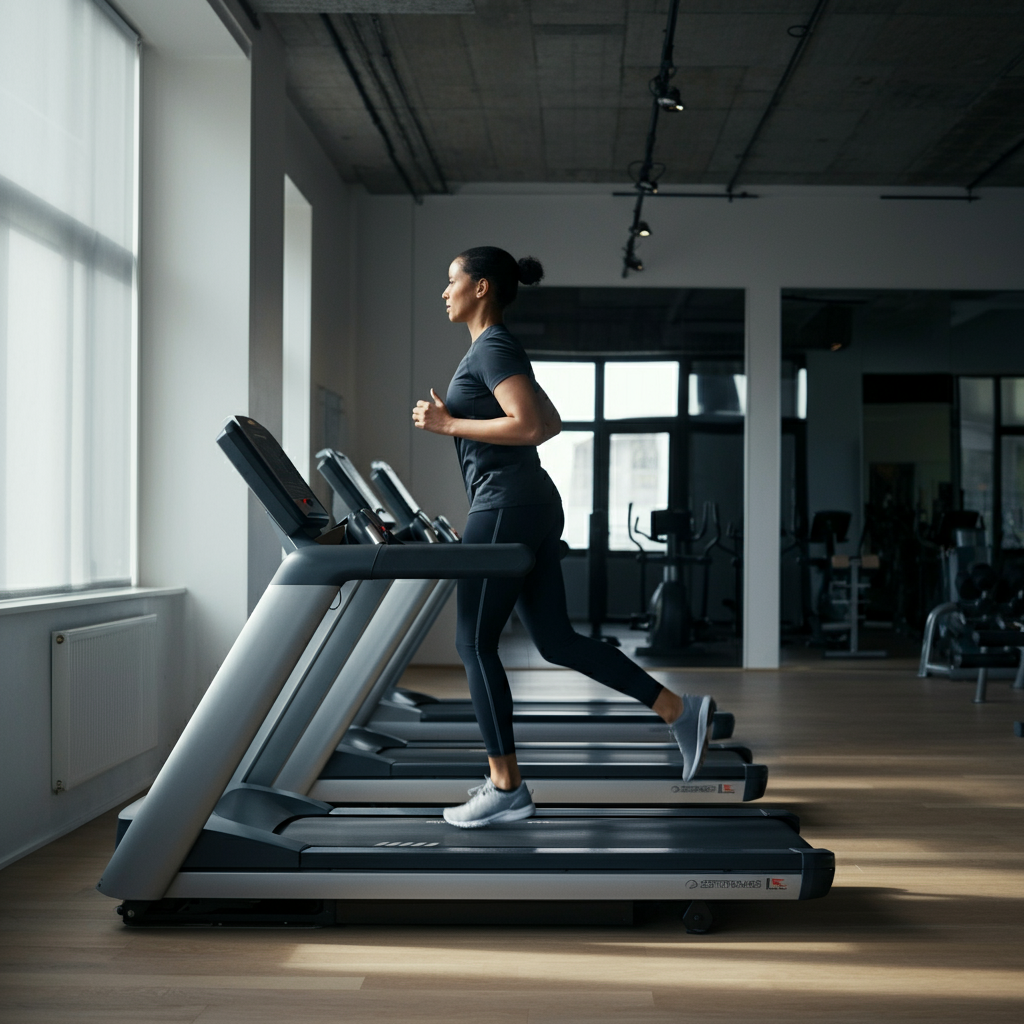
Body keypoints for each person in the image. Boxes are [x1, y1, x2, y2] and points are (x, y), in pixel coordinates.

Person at [412, 246, 715, 829]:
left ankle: (506, 787)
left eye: (452, 280)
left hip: (507, 504)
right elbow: (550, 424)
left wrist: (449, 423)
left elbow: (530, 426)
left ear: (481, 288)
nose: (443, 291)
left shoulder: (492, 346)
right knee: (553, 640)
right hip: (525, 504)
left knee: (474, 643)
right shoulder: (494, 350)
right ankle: (678, 709)